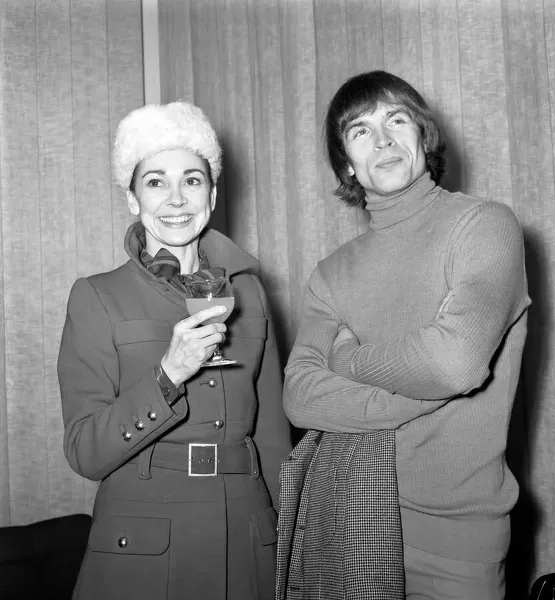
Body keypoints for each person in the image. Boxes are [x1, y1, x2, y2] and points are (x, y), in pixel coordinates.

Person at [279, 71, 531, 600]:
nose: (384, 139)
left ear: (422, 136)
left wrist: (350, 361)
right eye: (360, 130)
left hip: (457, 543)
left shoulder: (483, 226)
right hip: (345, 522)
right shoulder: (330, 274)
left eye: (397, 119)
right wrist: (420, 387)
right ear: (346, 162)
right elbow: (300, 396)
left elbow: (453, 365)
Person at [58, 101, 292, 600]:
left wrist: (289, 535)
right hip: (143, 536)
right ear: (131, 198)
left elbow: (273, 435)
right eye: (156, 181)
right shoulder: (96, 296)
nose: (176, 198)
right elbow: (84, 451)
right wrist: (167, 375)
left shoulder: (249, 292)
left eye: (192, 179)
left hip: (246, 530)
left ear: (211, 192)